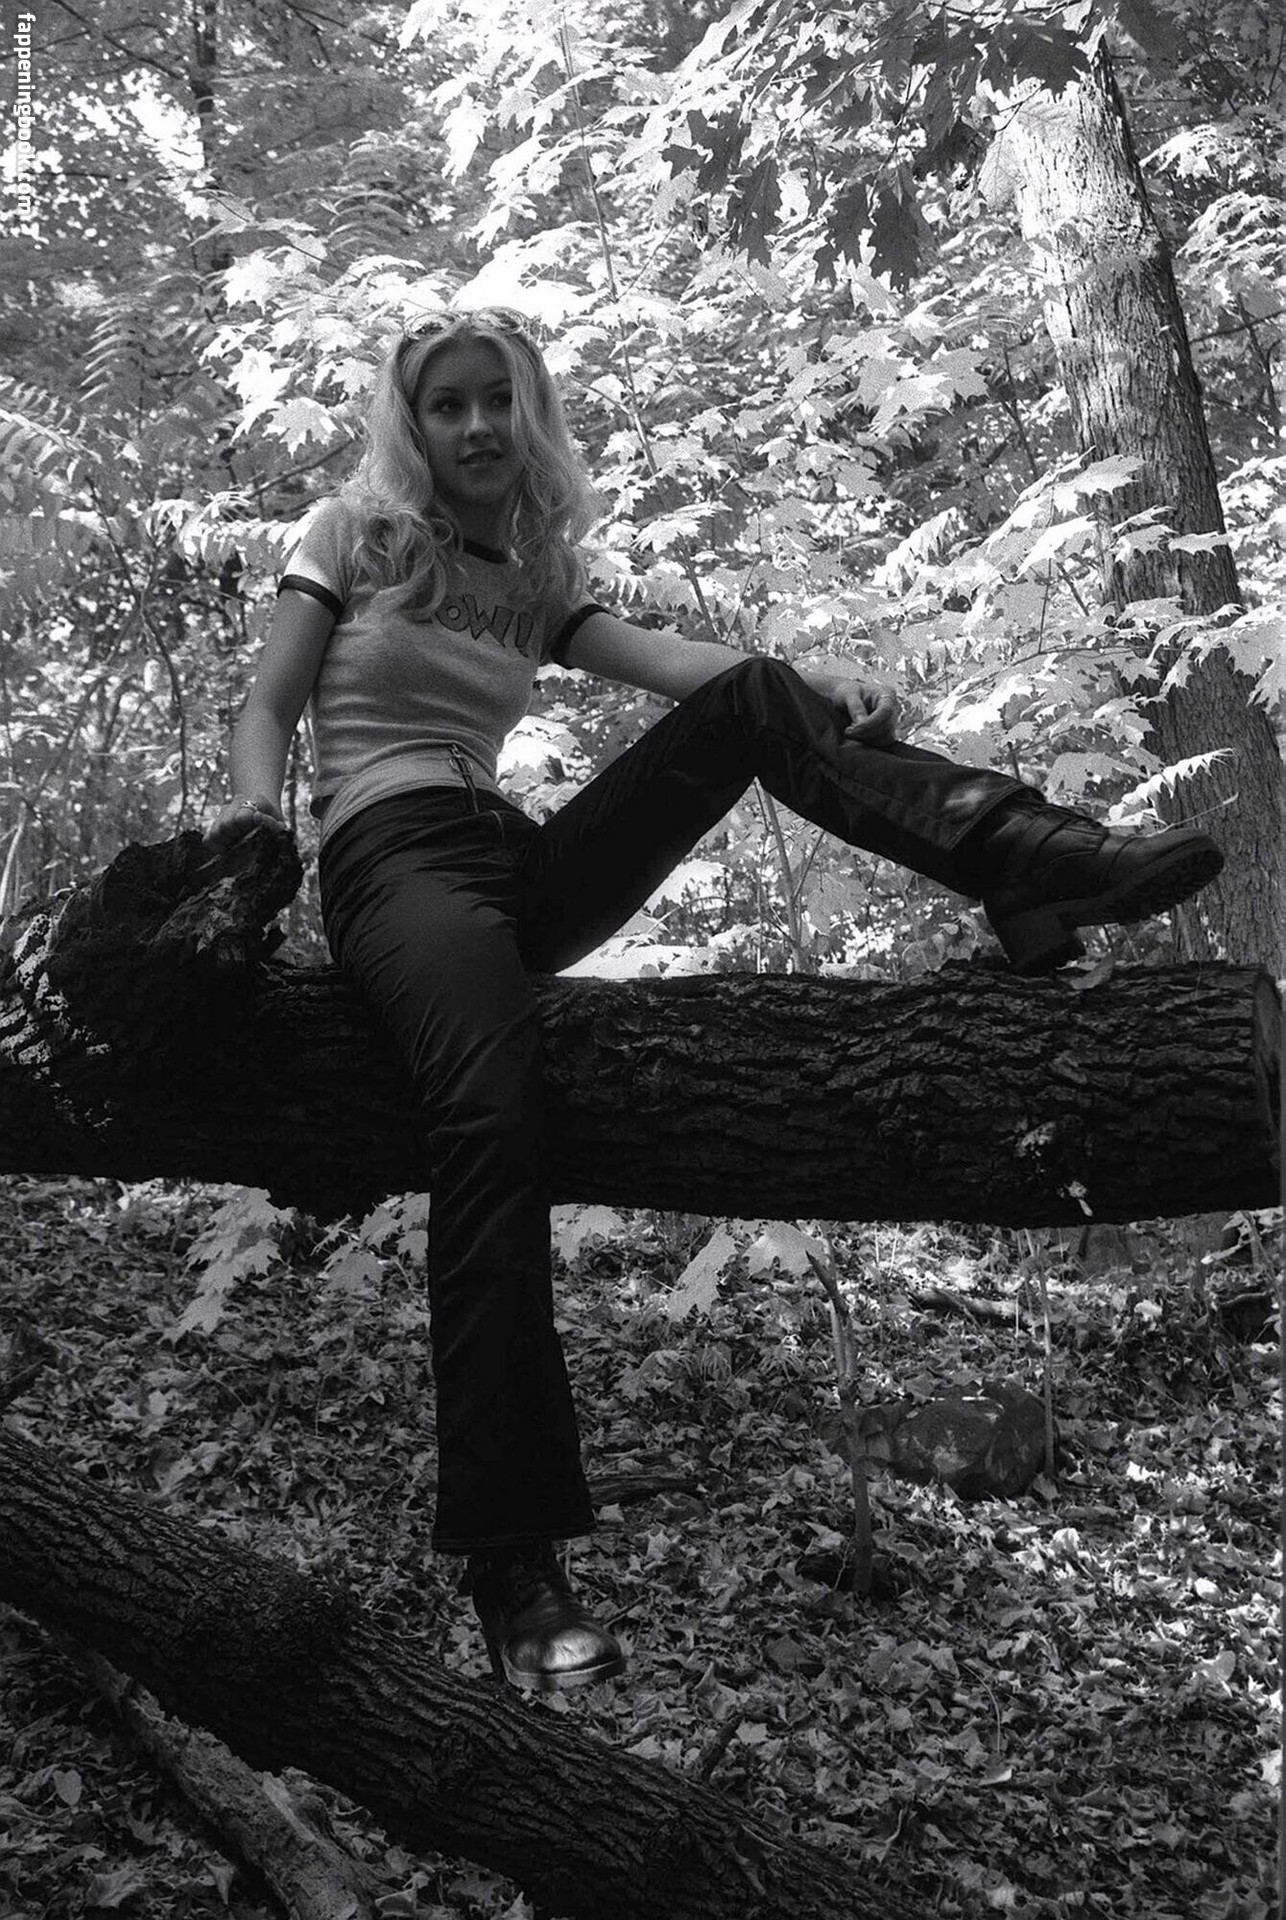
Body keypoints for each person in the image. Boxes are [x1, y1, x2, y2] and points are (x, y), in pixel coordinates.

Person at [208, 307, 1223, 1692]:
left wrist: (812, 684)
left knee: (753, 698)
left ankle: (1027, 855)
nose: (476, 426)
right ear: (412, 424)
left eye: (497, 399)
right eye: (446, 405)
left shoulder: (537, 570)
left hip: (516, 864)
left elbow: (684, 671)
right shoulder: (352, 536)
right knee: (490, 1127)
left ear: (529, 412)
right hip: (394, 859)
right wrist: (251, 838)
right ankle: (510, 1559)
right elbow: (267, 707)